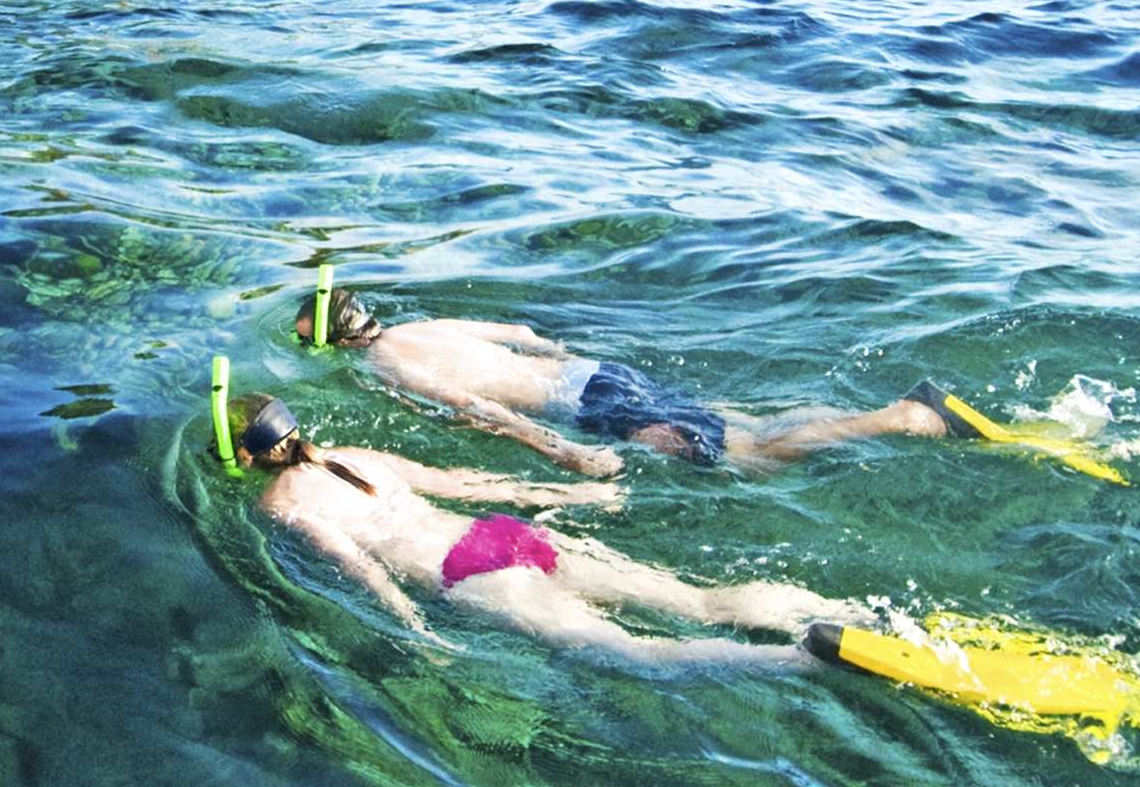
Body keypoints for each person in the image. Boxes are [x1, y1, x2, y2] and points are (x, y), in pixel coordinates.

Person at [219, 389, 864, 675]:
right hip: (501, 534)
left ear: (244, 455)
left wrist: (410, 627)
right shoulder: (358, 455)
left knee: (635, 652)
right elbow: (467, 482)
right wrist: (568, 491)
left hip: (467, 576)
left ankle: (798, 662)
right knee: (697, 601)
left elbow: (355, 565)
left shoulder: (279, 503)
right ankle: (838, 612)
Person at [296, 284, 959, 477]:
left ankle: (901, 418)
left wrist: (562, 451)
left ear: (333, 341)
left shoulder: (385, 364)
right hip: (595, 373)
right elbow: (524, 337)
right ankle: (869, 418)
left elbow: (478, 408)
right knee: (742, 425)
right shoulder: (424, 324)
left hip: (582, 406)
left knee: (743, 459)